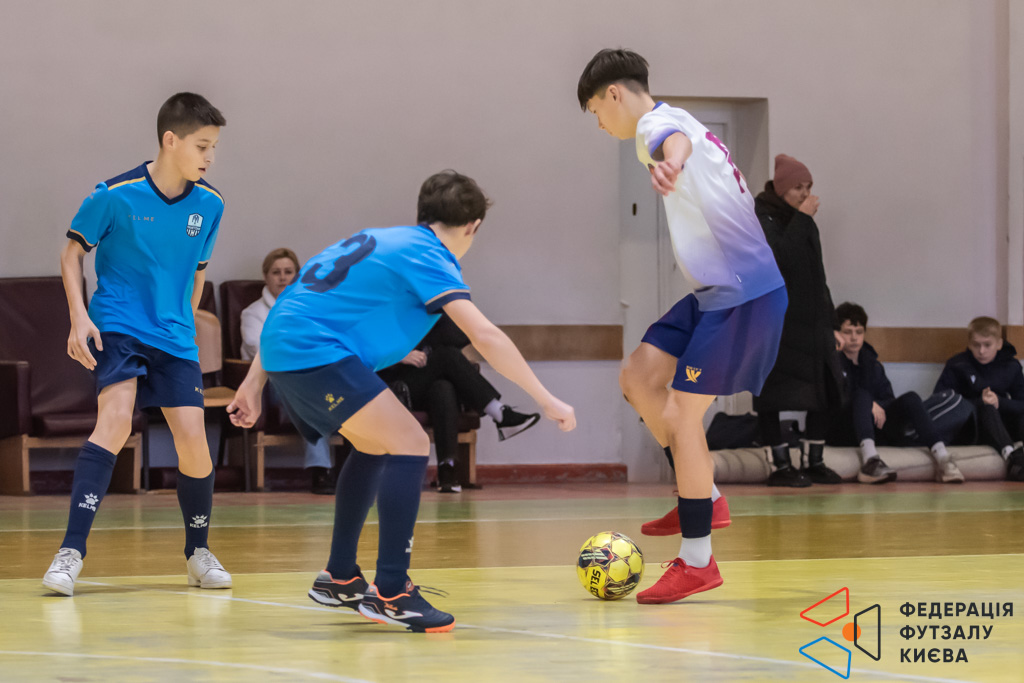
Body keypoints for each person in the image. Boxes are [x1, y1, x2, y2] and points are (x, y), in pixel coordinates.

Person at [227, 170, 575, 632]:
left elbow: (296, 303)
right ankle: (392, 591)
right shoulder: (430, 255)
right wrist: (546, 398)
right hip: (316, 352)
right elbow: (485, 336)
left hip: (289, 348)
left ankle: (340, 576)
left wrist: (253, 383)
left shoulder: (378, 239)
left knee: (374, 446)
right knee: (410, 441)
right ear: (472, 226)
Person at [578, 49, 786, 604]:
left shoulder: (657, 126)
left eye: (596, 111)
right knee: (639, 376)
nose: (600, 124)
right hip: (714, 294)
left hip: (744, 293)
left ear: (614, 94)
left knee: (679, 414)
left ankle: (697, 560)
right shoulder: (680, 116)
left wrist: (670, 162)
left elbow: (673, 143)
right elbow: (679, 139)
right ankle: (705, 497)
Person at [43, 93, 231, 596]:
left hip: (174, 336)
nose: (210, 157)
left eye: (214, 147)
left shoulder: (210, 204)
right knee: (115, 420)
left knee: (194, 439)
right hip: (119, 324)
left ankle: (198, 552)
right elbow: (71, 254)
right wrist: (79, 316)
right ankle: (70, 552)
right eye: (202, 146)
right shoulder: (114, 194)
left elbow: (198, 272)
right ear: (170, 140)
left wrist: (183, 322)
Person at [753, 155, 845, 487]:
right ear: (781, 190)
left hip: (813, 323)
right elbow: (780, 259)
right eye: (797, 188)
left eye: (808, 187)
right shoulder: (762, 217)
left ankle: (813, 460)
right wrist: (803, 218)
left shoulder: (804, 222)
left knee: (827, 389)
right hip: (777, 323)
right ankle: (779, 465)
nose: (805, 194)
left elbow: (818, 276)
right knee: (773, 396)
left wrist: (832, 322)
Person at [379, 311, 540, 493]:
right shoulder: (384, 310)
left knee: (443, 387)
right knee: (447, 356)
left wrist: (440, 307)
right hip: (393, 389)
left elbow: (461, 336)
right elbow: (364, 349)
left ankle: (447, 470)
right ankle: (500, 413)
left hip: (424, 384)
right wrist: (399, 356)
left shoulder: (424, 312)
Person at [830, 303, 964, 484]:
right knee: (862, 396)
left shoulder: (872, 364)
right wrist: (867, 403)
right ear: (837, 333)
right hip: (844, 427)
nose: (854, 338)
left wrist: (876, 405)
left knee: (911, 398)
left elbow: (888, 398)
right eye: (848, 332)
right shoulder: (832, 361)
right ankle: (870, 462)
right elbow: (833, 400)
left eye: (859, 332)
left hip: (876, 426)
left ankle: (943, 457)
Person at [240, 247, 337, 494]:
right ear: (266, 276)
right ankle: (321, 470)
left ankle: (354, 468)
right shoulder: (253, 313)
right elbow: (259, 349)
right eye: (276, 272)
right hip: (271, 384)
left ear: (297, 276)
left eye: (288, 272)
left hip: (312, 378)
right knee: (312, 394)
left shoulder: (309, 309)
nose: (283, 277)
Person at [935, 317, 1024, 480]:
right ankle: (1011, 456)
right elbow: (941, 403)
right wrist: (979, 402)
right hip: (969, 426)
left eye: (987, 345)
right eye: (976, 345)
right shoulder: (957, 365)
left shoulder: (1011, 366)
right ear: (969, 344)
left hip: (1002, 422)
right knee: (986, 408)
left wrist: (999, 402)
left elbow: (1021, 403)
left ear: (999, 344)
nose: (981, 351)